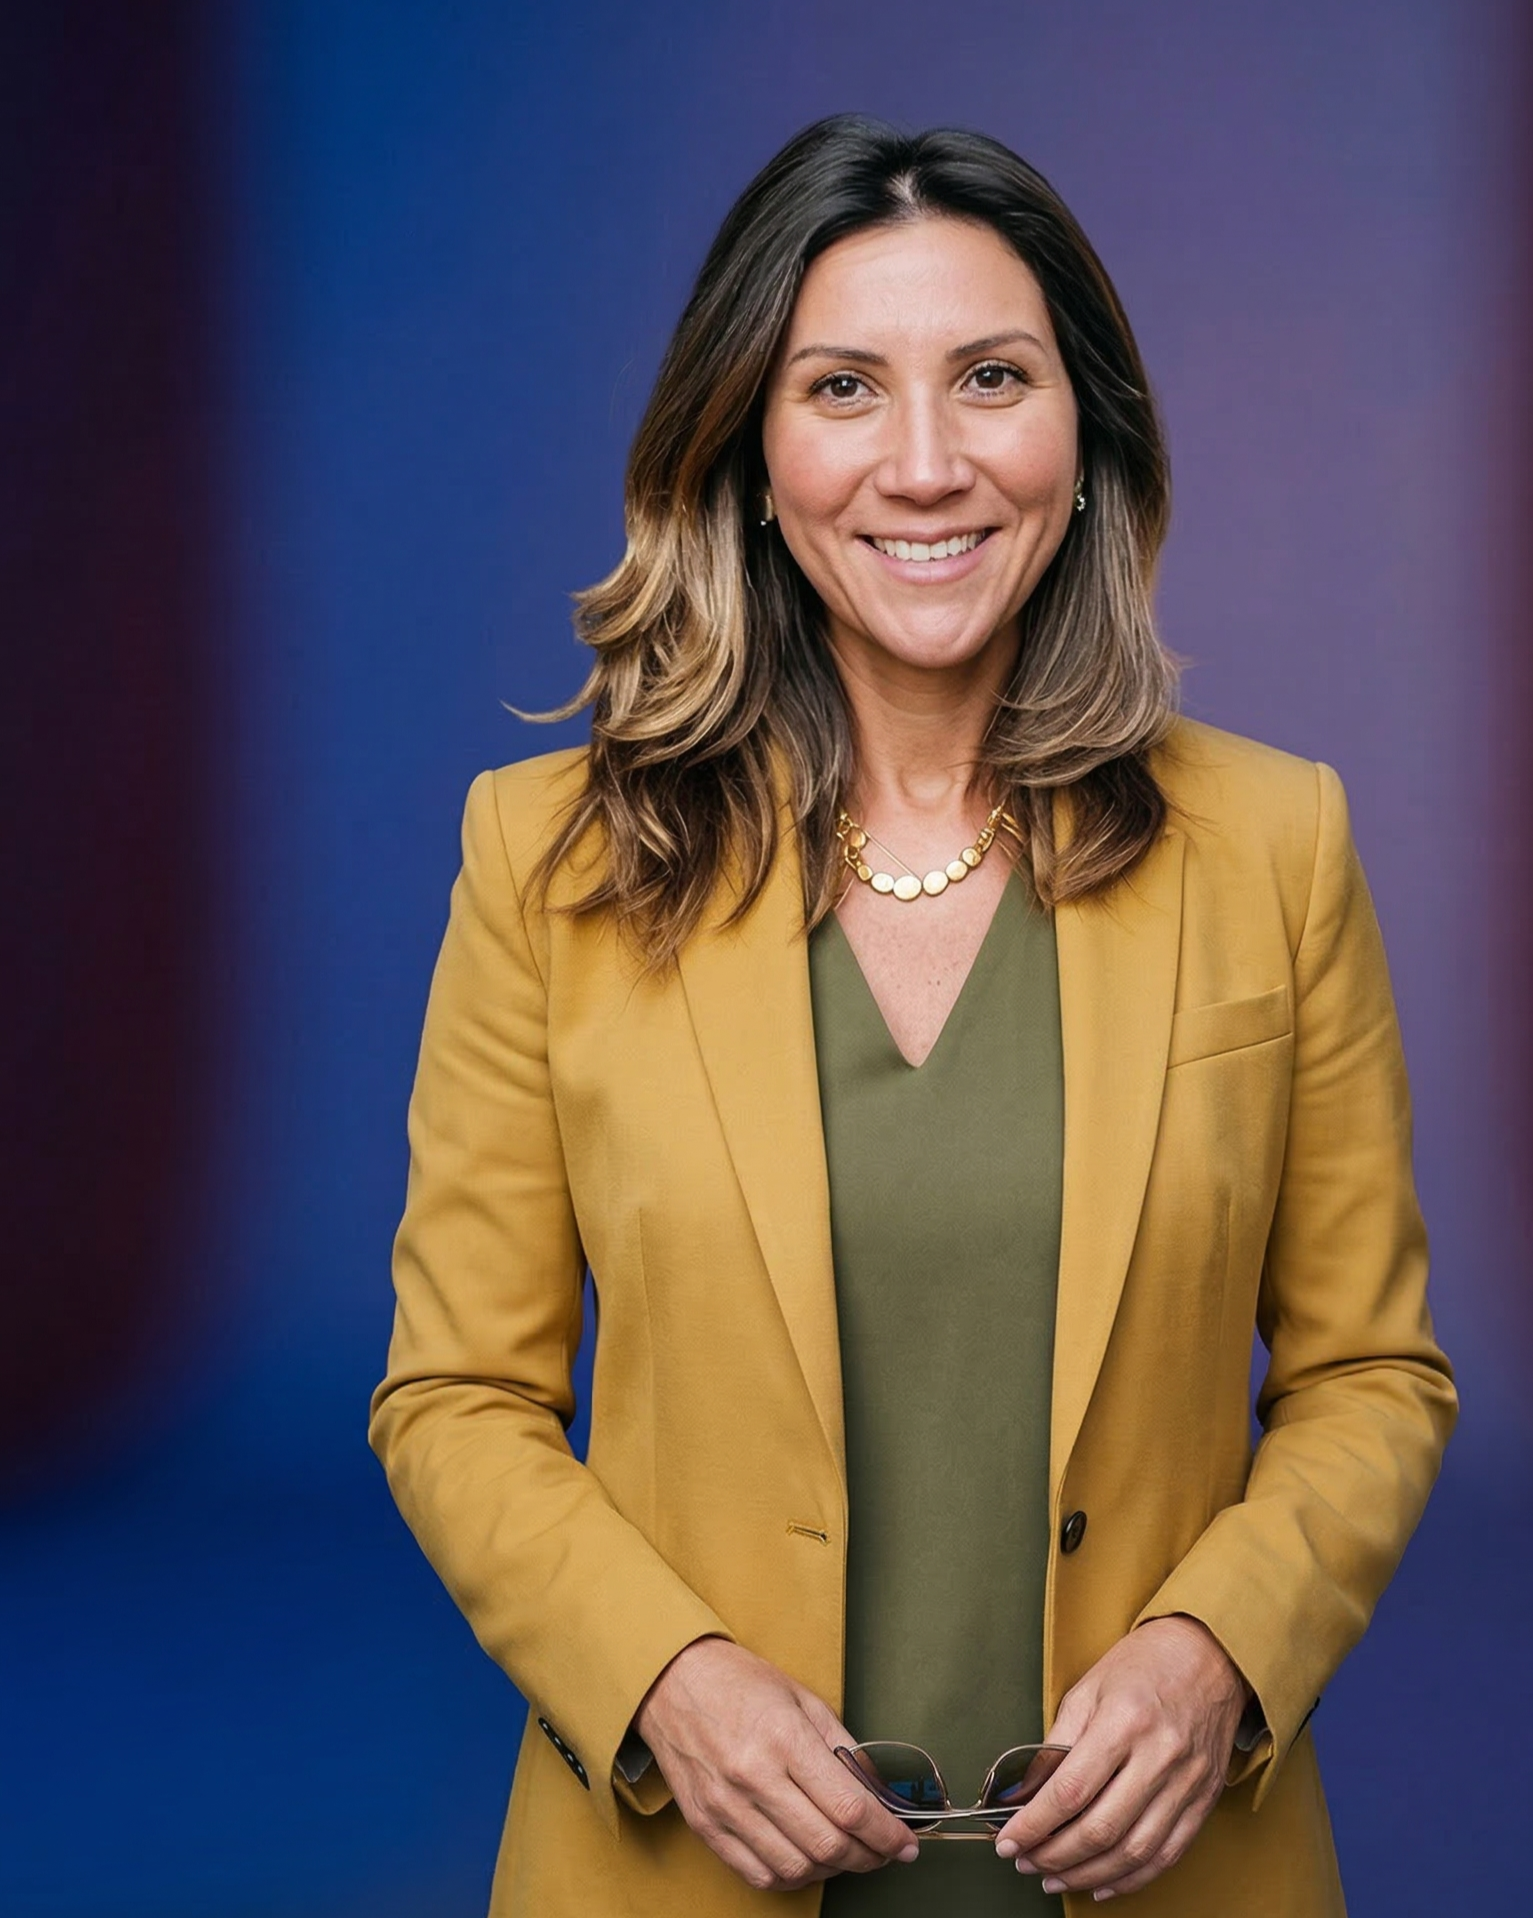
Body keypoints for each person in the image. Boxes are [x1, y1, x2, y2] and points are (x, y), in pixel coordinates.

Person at [370, 114, 1457, 1918]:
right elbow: (456, 1395)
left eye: (994, 378)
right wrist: (660, 1680)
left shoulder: (1278, 846)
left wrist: (1219, 1655)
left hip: (1171, 1876)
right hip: (682, 1869)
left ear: (1087, 436)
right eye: (845, 388)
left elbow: (1369, 1375)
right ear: (750, 448)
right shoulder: (541, 861)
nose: (930, 463)